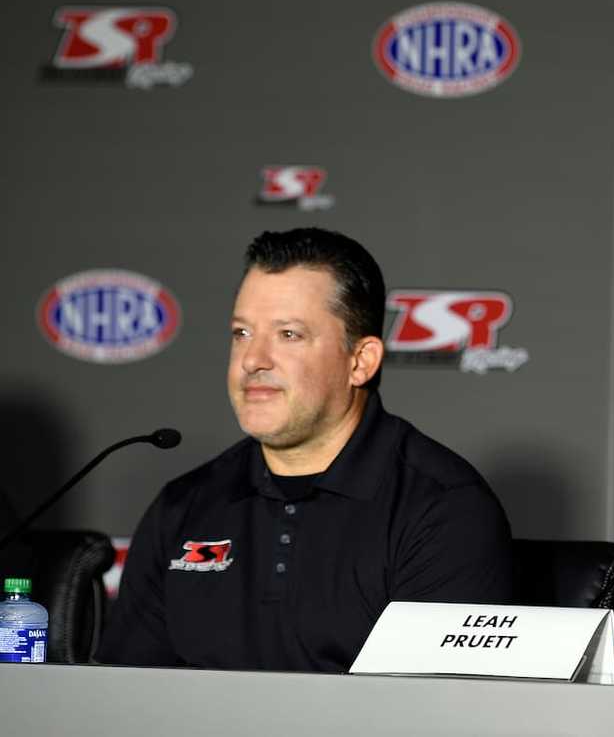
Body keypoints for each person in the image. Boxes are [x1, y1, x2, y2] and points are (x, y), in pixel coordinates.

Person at [97, 228, 514, 671]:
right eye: (242, 332)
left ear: (360, 362)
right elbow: (125, 693)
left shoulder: (443, 509)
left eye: (289, 334)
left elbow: (435, 705)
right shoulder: (182, 506)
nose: (253, 359)